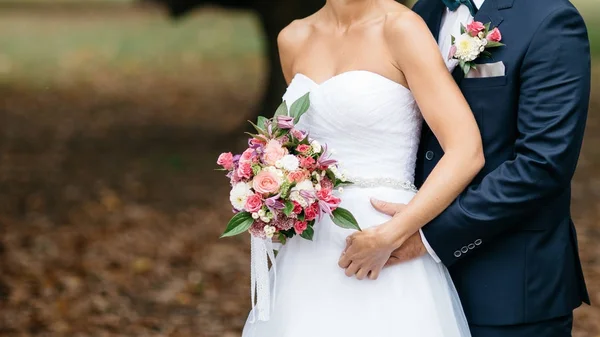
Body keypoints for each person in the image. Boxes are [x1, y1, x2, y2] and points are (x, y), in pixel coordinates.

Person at [242, 0, 485, 336]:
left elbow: (466, 151)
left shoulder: (402, 28)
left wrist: (392, 235)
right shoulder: (293, 37)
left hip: (387, 244)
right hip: (309, 252)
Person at [350, 0, 590, 336]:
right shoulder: (423, 13)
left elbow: (542, 165)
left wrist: (425, 237)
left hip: (508, 287)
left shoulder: (549, 19)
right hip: (408, 285)